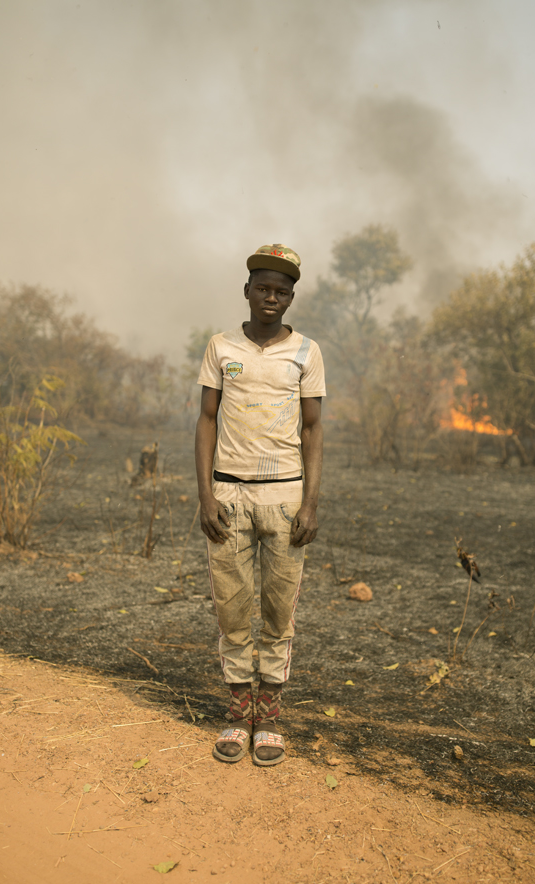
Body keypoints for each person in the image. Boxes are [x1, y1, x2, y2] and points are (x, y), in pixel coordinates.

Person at [195, 243, 325, 766]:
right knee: (231, 608)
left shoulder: (306, 353)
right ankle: (236, 713)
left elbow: (314, 429)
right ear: (247, 291)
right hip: (227, 494)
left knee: (278, 609)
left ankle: (268, 717)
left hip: (285, 498)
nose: (272, 298)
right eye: (264, 289)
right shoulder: (220, 347)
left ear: (291, 300)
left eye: (283, 292)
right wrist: (205, 494)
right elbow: (207, 420)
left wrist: (311, 503)